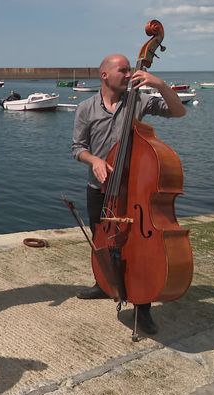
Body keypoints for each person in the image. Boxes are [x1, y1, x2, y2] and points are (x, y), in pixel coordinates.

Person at [71, 54, 186, 335]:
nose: (129, 74)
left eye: (129, 69)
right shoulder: (86, 108)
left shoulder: (139, 100)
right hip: (99, 190)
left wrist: (158, 84)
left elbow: (178, 111)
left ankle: (143, 307)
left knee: (138, 247)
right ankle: (103, 284)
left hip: (134, 192)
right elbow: (77, 148)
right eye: (122, 70)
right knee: (102, 238)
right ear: (104, 75)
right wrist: (95, 161)